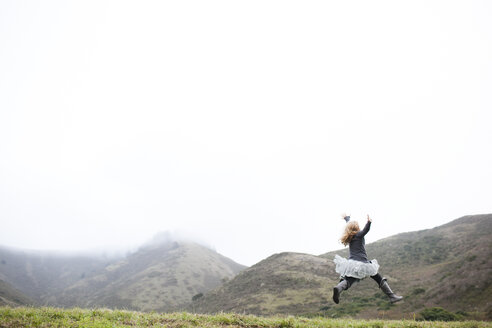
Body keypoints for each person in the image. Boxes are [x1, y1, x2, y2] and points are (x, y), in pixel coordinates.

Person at [332, 214, 403, 304]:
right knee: (378, 277)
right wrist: (369, 222)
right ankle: (392, 296)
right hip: (363, 263)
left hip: (351, 264)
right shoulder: (359, 235)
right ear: (357, 227)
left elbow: (350, 225)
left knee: (349, 280)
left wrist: (347, 219)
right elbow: (366, 230)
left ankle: (338, 288)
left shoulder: (350, 236)